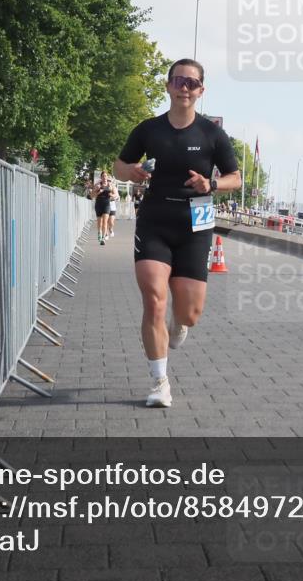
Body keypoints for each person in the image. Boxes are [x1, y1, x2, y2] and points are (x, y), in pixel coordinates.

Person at [113, 59, 241, 407]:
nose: (185, 87)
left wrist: (211, 184)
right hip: (155, 218)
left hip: (195, 223)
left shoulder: (212, 133)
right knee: (154, 299)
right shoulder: (148, 129)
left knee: (189, 313)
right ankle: (159, 382)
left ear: (201, 91)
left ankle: (180, 322)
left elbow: (236, 177)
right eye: (179, 81)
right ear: (168, 86)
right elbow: (119, 167)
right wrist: (134, 171)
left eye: (192, 83)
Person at [92, 172, 114, 245]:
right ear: (101, 177)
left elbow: (116, 194)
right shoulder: (98, 185)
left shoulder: (110, 185)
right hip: (98, 205)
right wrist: (98, 192)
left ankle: (103, 238)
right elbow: (92, 195)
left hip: (107, 205)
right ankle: (99, 233)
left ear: (107, 177)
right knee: (99, 222)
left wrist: (112, 195)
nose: (105, 177)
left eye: (106, 176)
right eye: (103, 176)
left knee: (105, 222)